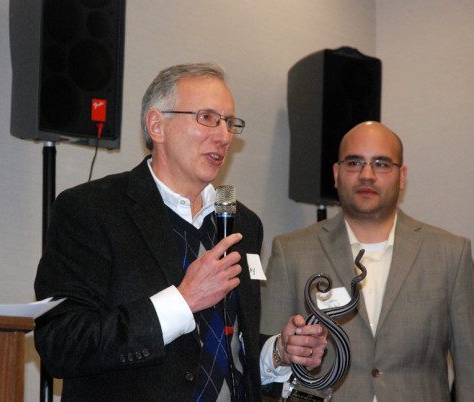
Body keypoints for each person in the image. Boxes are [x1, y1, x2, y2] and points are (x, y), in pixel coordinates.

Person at [34, 63, 326, 402]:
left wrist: (277, 353)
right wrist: (182, 301)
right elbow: (62, 344)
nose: (224, 136)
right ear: (157, 125)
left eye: (229, 122)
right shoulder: (92, 209)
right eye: (207, 118)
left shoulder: (244, 223)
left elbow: (223, 350)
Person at [260, 121, 474, 401]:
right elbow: (264, 363)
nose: (367, 175)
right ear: (336, 174)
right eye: (354, 163)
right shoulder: (290, 252)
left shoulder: (450, 254)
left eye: (382, 164)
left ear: (402, 176)